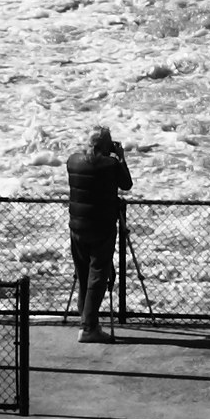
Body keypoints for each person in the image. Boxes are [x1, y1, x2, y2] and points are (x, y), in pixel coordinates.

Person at [66, 125, 133, 343]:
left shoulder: (73, 161)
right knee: (98, 276)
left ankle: (86, 321)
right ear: (106, 145)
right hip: (101, 227)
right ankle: (88, 328)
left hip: (76, 225)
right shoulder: (110, 164)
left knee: (83, 275)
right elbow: (126, 184)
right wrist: (120, 157)